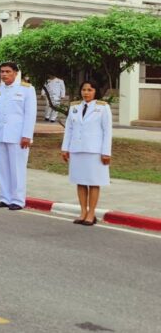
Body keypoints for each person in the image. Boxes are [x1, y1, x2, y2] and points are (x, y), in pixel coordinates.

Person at [62, 81, 112, 226]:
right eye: (84, 90)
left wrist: (106, 152)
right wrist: (65, 148)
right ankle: (83, 211)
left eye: (90, 90)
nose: (86, 92)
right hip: (77, 149)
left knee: (94, 182)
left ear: (95, 91)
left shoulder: (102, 107)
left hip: (94, 151)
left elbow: (107, 131)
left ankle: (91, 213)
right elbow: (69, 129)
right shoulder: (74, 107)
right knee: (81, 181)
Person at [0, 61, 37, 210]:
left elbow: (30, 114)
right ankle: (4, 197)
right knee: (2, 168)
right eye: (2, 71)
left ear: (15, 73)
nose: (4, 74)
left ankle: (17, 200)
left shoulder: (26, 89)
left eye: (8, 71)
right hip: (0, 134)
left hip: (18, 136)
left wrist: (27, 135)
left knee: (17, 168)